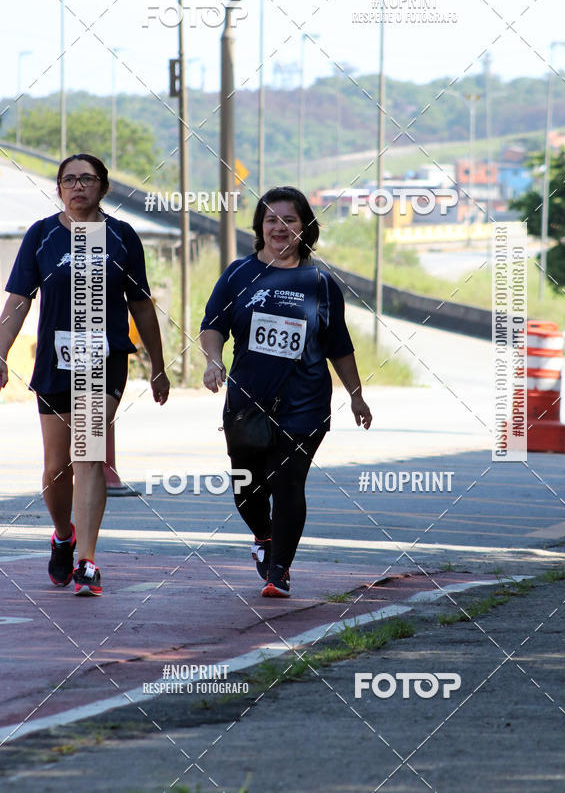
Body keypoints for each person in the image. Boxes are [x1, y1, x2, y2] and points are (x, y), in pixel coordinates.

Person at [0, 153, 170, 596]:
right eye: (69, 180)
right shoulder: (41, 236)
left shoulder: (121, 236)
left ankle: (87, 561)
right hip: (55, 363)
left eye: (88, 179)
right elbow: (18, 302)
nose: (78, 186)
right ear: (59, 188)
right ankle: (63, 534)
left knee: (89, 454)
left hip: (104, 359)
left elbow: (142, 306)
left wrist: (158, 364)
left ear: (104, 187)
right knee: (57, 469)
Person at [200, 186, 371, 598]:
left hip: (305, 400)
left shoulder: (320, 282)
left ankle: (280, 571)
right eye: (272, 219)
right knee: (246, 485)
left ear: (304, 226)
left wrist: (356, 394)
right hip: (247, 398)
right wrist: (213, 360)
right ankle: (264, 536)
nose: (280, 227)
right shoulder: (239, 274)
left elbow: (339, 346)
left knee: (289, 483)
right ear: (260, 226)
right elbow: (213, 327)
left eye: (289, 220)